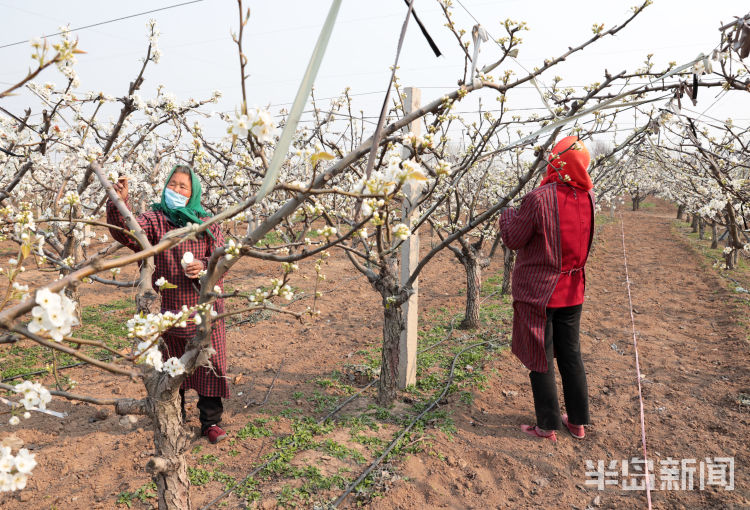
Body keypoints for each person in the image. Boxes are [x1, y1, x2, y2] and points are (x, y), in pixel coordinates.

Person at [108, 165, 229, 444]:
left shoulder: (205, 223)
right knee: (170, 366)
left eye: (182, 187)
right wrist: (119, 203)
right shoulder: (154, 220)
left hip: (201, 309)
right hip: (166, 310)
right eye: (172, 184)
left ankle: (210, 422)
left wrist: (205, 266)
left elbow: (222, 257)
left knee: (207, 361)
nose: (175, 190)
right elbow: (129, 233)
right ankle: (176, 419)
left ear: (193, 193)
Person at [498, 136, 594, 442]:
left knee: (541, 355)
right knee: (570, 355)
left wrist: (507, 212)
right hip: (573, 289)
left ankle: (547, 424)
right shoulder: (589, 198)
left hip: (539, 292)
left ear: (555, 161)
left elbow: (513, 238)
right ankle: (577, 422)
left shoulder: (539, 197)